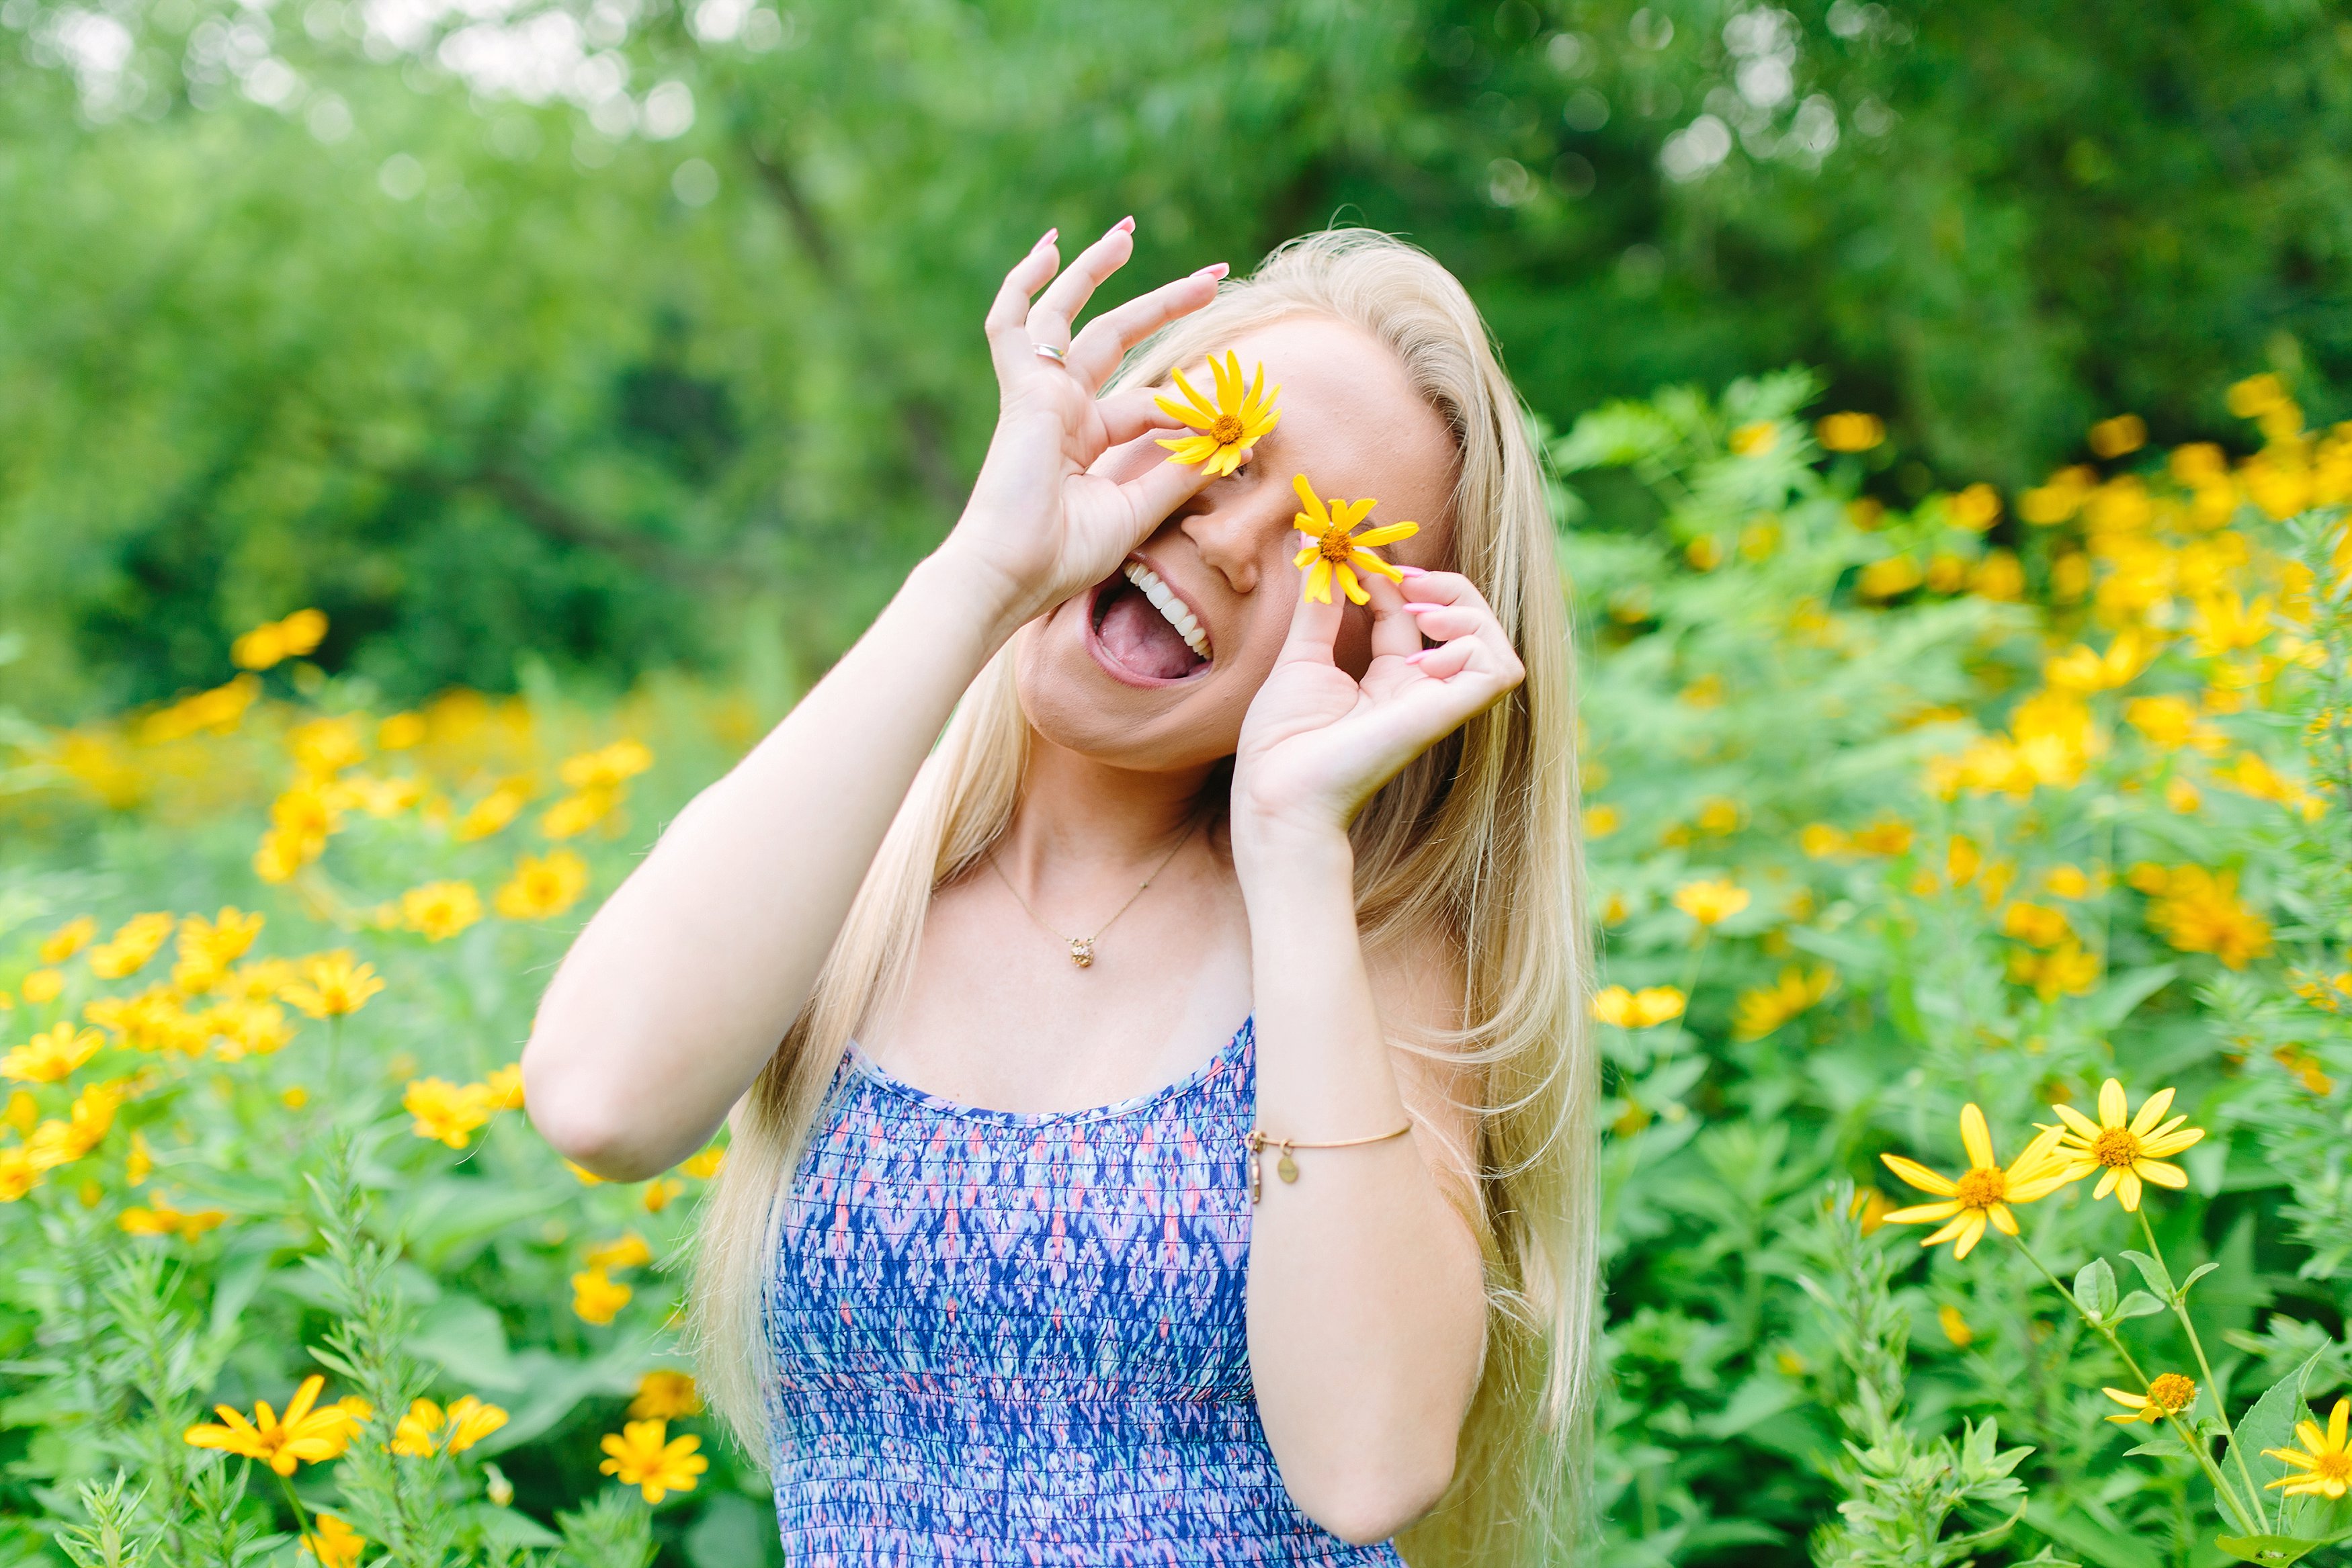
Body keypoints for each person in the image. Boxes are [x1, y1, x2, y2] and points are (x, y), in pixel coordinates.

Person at [522, 222, 1593, 1564]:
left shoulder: (1361, 949)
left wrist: (1291, 845)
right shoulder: (854, 879)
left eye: (1333, 551)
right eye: (1217, 444)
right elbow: (602, 1101)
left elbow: (1369, 1468)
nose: (1238, 540)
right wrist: (982, 573)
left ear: (1382, 651)